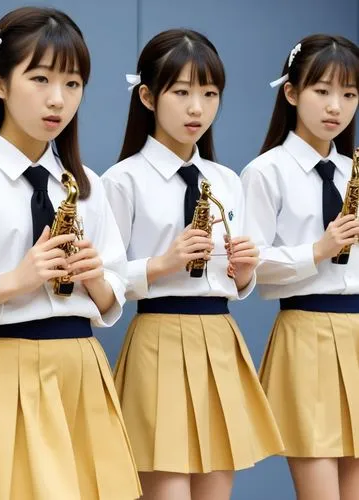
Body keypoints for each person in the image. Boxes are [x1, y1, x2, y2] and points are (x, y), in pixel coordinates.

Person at [102, 28, 283, 500]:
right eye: (181, 92)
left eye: (209, 93)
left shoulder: (225, 179)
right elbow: (101, 280)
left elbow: (234, 280)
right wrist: (161, 264)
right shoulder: (121, 181)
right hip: (157, 341)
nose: (197, 108)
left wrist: (243, 271)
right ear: (147, 96)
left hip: (220, 342)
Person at [0, 6, 141, 499]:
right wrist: (13, 282)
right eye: (40, 78)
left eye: (73, 84)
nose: (59, 99)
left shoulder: (86, 184)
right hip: (1, 371)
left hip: (80, 370)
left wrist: (98, 279)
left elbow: (113, 293)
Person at [241, 34, 359, 500]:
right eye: (322, 91)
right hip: (306, 332)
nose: (336, 106)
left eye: (349, 94)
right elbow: (250, 263)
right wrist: (319, 249)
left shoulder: (353, 171)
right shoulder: (265, 171)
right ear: (291, 92)